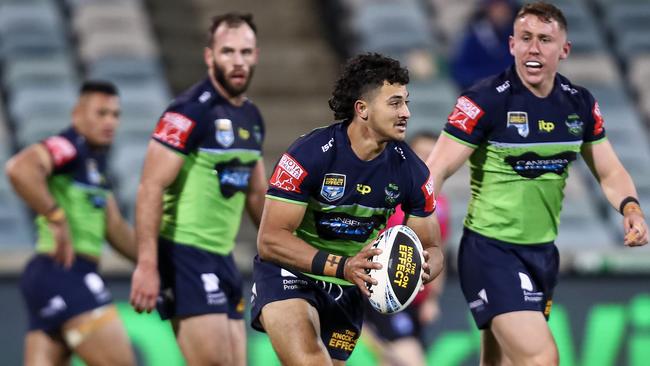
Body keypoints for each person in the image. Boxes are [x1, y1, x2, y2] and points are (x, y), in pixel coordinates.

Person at [426, 2, 649, 365]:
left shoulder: (579, 105)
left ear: (564, 50)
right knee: (540, 359)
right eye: (525, 38)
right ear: (511, 44)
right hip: (491, 252)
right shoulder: (483, 102)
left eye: (545, 39)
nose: (533, 48)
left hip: (542, 254)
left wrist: (631, 208)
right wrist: (419, 232)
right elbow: (434, 171)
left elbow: (609, 172)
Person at [250, 53, 445, 365]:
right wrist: (343, 266)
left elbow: (431, 247)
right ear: (362, 109)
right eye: (395, 103)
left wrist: (420, 270)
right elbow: (270, 240)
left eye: (406, 102)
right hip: (292, 273)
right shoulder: (310, 154)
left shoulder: (411, 171)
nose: (406, 112)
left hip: (351, 287)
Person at [128, 12, 266, 366]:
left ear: (256, 55)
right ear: (210, 57)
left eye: (245, 52)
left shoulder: (252, 117)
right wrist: (146, 264)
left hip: (223, 256)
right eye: (228, 52)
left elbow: (256, 194)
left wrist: (280, 252)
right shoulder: (188, 112)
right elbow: (150, 186)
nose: (238, 62)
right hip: (183, 254)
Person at [5, 81, 137, 366]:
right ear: (77, 114)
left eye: (115, 114)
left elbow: (115, 228)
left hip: (51, 276)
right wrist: (56, 216)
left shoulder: (95, 163)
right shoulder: (70, 146)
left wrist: (155, 261)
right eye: (101, 113)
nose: (110, 122)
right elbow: (19, 168)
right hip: (67, 273)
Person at [362, 131, 450, 366]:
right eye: (420, 155)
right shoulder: (388, 195)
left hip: (416, 300)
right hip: (385, 293)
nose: (426, 163)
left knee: (390, 361)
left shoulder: (440, 206)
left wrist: (432, 299)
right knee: (411, 361)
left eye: (432, 156)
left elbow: (438, 250)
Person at [449, 0, 518, 90]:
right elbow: (461, 73)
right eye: (496, 7)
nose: (501, 12)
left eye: (504, 7)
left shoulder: (523, 35)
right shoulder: (474, 37)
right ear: (487, 9)